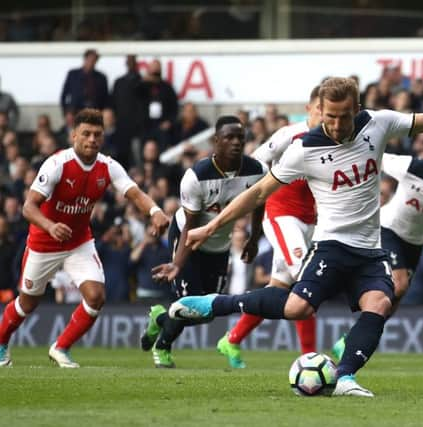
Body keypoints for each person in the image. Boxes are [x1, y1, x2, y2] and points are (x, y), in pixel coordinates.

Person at [168, 77, 423, 397]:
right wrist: (212, 226)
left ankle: (345, 377)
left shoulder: (378, 124)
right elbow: (259, 192)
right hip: (331, 245)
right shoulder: (304, 148)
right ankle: (214, 303)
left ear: (357, 109)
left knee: (381, 302)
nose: (335, 124)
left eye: (343, 116)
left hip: (370, 248)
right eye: (329, 116)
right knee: (297, 308)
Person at [0, 108, 169, 368]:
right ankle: (1, 342)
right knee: (27, 302)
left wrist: (155, 212)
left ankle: (61, 347)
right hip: (43, 243)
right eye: (86, 134)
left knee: (96, 296)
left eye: (97, 135)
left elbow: (135, 193)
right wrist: (50, 225)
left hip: (78, 242)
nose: (92, 139)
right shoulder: (57, 164)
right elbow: (28, 207)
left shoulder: (107, 166)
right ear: (74, 135)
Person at [331, 130, 423, 360]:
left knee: (396, 298)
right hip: (387, 230)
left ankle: (351, 338)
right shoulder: (409, 166)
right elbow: (372, 156)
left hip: (415, 242)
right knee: (398, 285)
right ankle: (355, 337)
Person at [143, 116, 267, 368]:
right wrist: (178, 263)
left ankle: (160, 318)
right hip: (189, 239)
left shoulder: (257, 170)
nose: (235, 143)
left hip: (220, 244)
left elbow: (259, 203)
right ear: (215, 141)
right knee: (186, 303)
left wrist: (254, 238)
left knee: (207, 312)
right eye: (229, 137)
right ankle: (163, 347)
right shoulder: (196, 177)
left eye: (240, 138)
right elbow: (190, 225)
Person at [216, 85, 322, 369]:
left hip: (309, 221)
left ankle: (233, 338)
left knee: (279, 286)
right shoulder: (289, 134)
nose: (327, 118)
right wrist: (249, 201)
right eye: (321, 110)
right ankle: (308, 357)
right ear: (309, 109)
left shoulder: (333, 140)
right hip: (281, 214)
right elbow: (255, 162)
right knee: (306, 282)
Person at [59, 49, 109, 115]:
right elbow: (64, 94)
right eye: (90, 59)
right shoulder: (73, 74)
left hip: (95, 111)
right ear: (85, 59)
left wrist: (103, 112)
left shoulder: (101, 77)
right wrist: (66, 112)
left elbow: (106, 97)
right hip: (76, 111)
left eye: (94, 60)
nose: (92, 62)